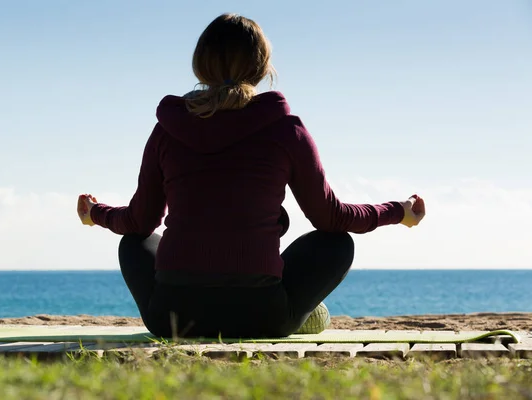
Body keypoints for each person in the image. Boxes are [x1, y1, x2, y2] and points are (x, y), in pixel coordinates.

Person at [77, 13, 425, 339]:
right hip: (262, 316)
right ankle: (305, 313)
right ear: (262, 67)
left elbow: (138, 221)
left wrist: (96, 213)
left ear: (200, 64)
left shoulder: (167, 131)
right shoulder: (286, 130)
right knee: (337, 243)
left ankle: (296, 309)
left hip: (172, 317)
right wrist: (399, 211)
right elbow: (331, 218)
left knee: (134, 242)